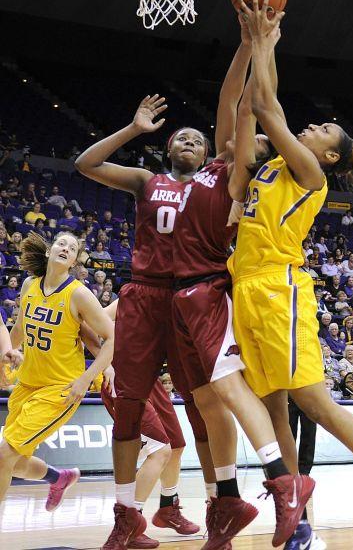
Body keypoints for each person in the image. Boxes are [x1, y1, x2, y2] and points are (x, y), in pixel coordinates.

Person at [229, 0, 353, 550]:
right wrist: (254, 43)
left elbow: (268, 108)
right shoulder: (271, 168)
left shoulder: (309, 177)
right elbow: (252, 106)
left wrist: (266, 40)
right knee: (273, 408)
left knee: (311, 398)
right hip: (245, 288)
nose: (311, 127)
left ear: (330, 156)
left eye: (319, 129)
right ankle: (300, 525)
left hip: (279, 286)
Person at [169, 19, 316, 550]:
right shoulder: (210, 165)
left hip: (214, 289)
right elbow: (231, 99)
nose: (239, 135)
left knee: (239, 396)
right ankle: (223, 508)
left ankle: (286, 489)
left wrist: (263, 45)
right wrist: (242, 45)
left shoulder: (238, 177)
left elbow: (251, 104)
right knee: (207, 406)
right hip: (180, 295)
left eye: (250, 138)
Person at [76, 96, 218, 550]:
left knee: (202, 411)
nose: (190, 141)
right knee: (131, 410)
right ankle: (126, 517)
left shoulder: (217, 190)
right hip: (144, 295)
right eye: (182, 137)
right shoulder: (147, 181)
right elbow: (85, 163)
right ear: (168, 149)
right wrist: (135, 128)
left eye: (198, 139)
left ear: (209, 156)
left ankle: (218, 509)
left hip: (192, 299)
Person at [0, 231, 114, 507]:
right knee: (15, 462)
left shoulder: (80, 294)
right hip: (27, 383)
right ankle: (58, 477)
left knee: (3, 456)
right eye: (61, 243)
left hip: (59, 390)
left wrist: (86, 379)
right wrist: (6, 355)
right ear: (50, 251)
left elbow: (112, 338)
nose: (66, 248)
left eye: (72, 248)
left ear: (74, 260)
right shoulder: (29, 284)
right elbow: (19, 328)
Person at [81, 300, 200, 545]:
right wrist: (106, 362)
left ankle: (168, 507)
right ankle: (131, 522)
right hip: (122, 376)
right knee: (160, 451)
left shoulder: (174, 296)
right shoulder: (132, 296)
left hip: (149, 376)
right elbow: (84, 324)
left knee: (176, 445)